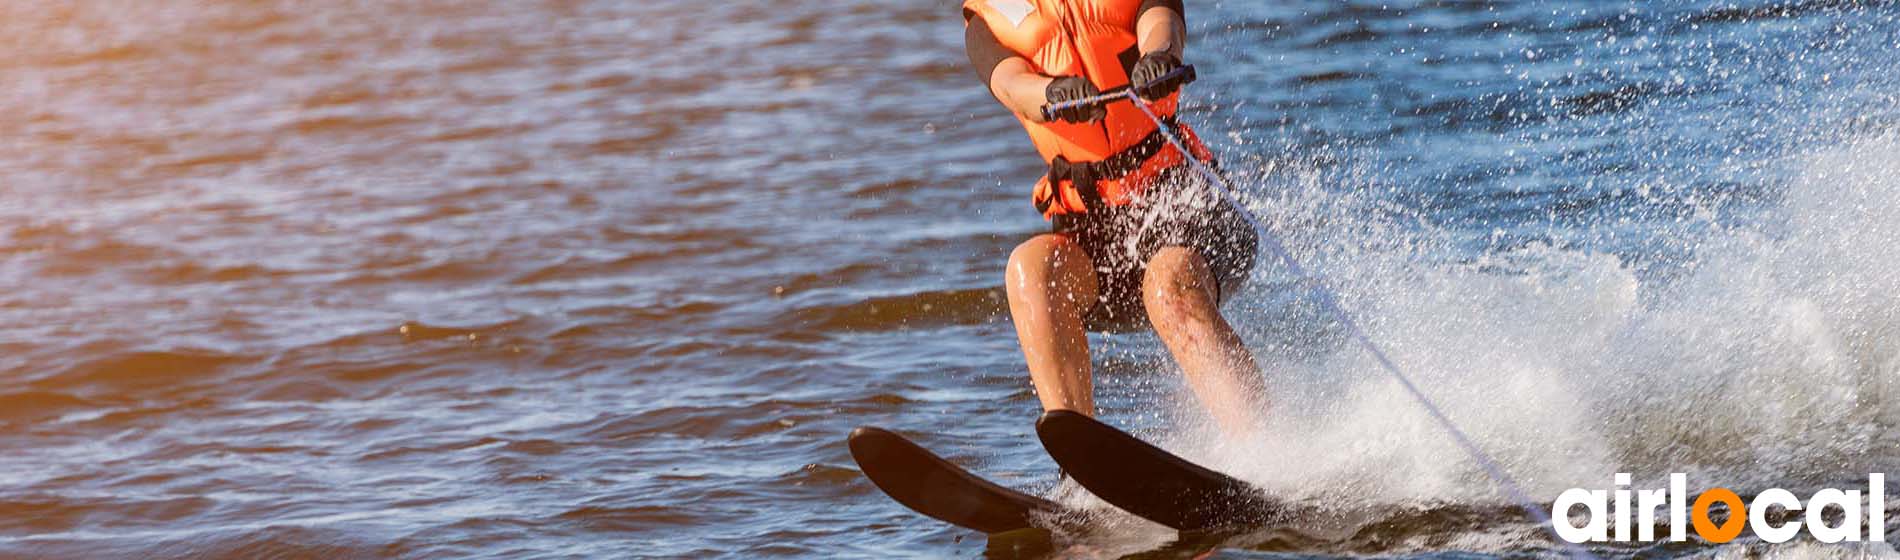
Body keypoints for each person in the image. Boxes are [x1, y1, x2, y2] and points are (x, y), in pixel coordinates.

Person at [961, 0, 1268, 433]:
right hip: (1099, 237)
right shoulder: (984, 22)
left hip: (1189, 209)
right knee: (1030, 268)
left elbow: (1160, 20)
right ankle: (1079, 461)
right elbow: (1012, 85)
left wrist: (1160, 56)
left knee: (1169, 281)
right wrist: (1049, 94)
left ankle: (1260, 447)